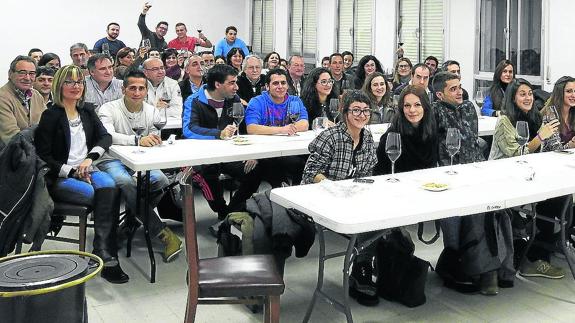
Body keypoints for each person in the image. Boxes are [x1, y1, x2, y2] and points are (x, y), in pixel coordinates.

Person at [34, 65, 128, 284]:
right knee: (97, 196)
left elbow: (104, 137)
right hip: (60, 176)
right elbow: (43, 155)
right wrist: (72, 171)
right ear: (59, 85)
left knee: (110, 188)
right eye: (69, 82)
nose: (75, 86)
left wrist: (89, 159)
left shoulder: (86, 110)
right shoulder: (51, 115)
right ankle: (107, 254)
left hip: (88, 168)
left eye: (79, 82)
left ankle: (103, 251)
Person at [432, 71, 515, 296]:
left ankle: (497, 266)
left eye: (460, 87)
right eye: (453, 89)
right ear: (439, 94)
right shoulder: (434, 111)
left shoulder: (469, 108)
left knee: (496, 210)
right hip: (449, 174)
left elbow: (473, 141)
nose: (460, 91)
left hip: (475, 171)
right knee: (463, 214)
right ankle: (469, 264)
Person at [301, 90, 378, 306]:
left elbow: (367, 173)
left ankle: (365, 266)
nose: (361, 115)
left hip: (354, 197)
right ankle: (361, 268)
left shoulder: (368, 137)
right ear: (345, 113)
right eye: (355, 110)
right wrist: (332, 187)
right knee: (366, 223)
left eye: (365, 111)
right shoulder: (331, 137)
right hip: (325, 198)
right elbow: (309, 174)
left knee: (382, 221)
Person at [97, 70, 182, 262]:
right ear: (123, 89)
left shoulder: (151, 110)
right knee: (126, 182)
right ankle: (163, 234)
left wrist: (153, 140)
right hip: (111, 159)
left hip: (138, 160)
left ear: (146, 91)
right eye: (132, 88)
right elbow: (109, 137)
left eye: (141, 88)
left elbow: (153, 136)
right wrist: (137, 140)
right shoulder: (108, 109)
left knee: (160, 179)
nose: (137, 92)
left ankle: (129, 223)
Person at [489, 78, 566, 279]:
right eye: (522, 94)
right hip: (503, 179)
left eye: (530, 93)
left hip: (529, 177)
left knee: (561, 201)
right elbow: (517, 155)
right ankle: (535, 255)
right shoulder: (504, 121)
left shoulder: (534, 117)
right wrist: (540, 137)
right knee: (552, 205)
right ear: (513, 98)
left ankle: (540, 249)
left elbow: (546, 150)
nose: (528, 97)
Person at [182, 64, 262, 219]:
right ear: (217, 84)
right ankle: (222, 211)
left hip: (228, 153)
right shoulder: (194, 100)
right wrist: (219, 134)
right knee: (207, 175)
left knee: (255, 171)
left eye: (236, 82)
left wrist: (252, 154)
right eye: (231, 83)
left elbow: (243, 128)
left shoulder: (234, 99)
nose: (236, 87)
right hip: (202, 156)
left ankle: (230, 212)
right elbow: (189, 129)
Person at [246, 68, 309, 186]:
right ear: (267, 86)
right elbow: (252, 128)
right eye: (275, 83)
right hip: (265, 151)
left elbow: (304, 124)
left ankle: (296, 196)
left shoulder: (295, 100)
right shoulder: (257, 101)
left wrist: (290, 128)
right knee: (273, 168)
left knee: (302, 163)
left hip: (288, 150)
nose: (280, 86)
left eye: (283, 83)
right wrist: (282, 129)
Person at [375, 85, 437, 175]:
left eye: (417, 105)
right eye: (407, 105)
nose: (412, 110)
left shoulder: (432, 130)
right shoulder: (391, 136)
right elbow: (379, 171)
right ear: (401, 109)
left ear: (425, 107)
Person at [0, 56, 46, 144]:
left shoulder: (36, 95)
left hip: (36, 152)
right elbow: (13, 138)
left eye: (32, 73)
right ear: (10, 74)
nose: (27, 78)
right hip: (10, 155)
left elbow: (48, 125)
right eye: (22, 73)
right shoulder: (2, 98)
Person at [541, 76, 575, 150]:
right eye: (569, 91)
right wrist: (573, 142)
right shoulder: (549, 115)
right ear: (559, 93)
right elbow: (556, 150)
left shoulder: (573, 113)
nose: (574, 95)